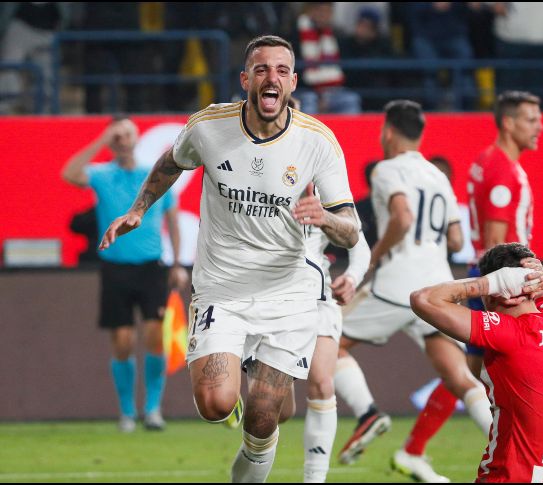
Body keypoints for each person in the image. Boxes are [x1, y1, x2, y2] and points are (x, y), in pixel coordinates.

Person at [98, 35, 360, 483]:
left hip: (288, 293)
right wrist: (139, 209)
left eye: (281, 70)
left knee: (264, 417)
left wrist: (327, 220)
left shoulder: (317, 141)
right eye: (261, 69)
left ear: (294, 82)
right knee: (216, 405)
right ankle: (240, 379)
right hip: (223, 288)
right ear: (245, 80)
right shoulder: (209, 127)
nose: (271, 77)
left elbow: (352, 228)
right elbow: (169, 162)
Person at [401, 90, 543, 483]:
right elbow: (495, 243)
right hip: (502, 291)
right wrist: (507, 280)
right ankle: (539, 448)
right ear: (508, 123)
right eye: (531, 119)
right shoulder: (502, 172)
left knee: (471, 376)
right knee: (477, 375)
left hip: (504, 286)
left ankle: (418, 448)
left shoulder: (488, 163)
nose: (540, 126)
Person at [332, 100, 495, 482]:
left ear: (388, 132)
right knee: (460, 377)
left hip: (396, 284)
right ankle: (507, 448)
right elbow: (456, 240)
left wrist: (374, 256)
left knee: (326, 340)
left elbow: (403, 217)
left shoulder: (388, 170)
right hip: (437, 286)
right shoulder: (437, 175)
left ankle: (368, 413)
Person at [410, 242, 543, 483]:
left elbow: (423, 299)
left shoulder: (508, 334)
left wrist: (488, 283)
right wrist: (541, 278)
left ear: (496, 292)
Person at [61, 116, 188, 432]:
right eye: (118, 135)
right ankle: (127, 412)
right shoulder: (103, 175)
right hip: (116, 268)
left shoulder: (153, 175)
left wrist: (176, 264)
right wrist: (103, 138)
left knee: (155, 336)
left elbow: (171, 219)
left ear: (136, 137)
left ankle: (153, 409)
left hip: (151, 267)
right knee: (122, 340)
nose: (123, 139)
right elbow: (69, 173)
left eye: (127, 133)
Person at [274, 203, 371, 483]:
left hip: (318, 295)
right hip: (270, 297)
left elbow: (358, 243)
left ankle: (314, 479)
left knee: (322, 382)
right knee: (277, 410)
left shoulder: (327, 185)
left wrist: (352, 277)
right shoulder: (260, 175)